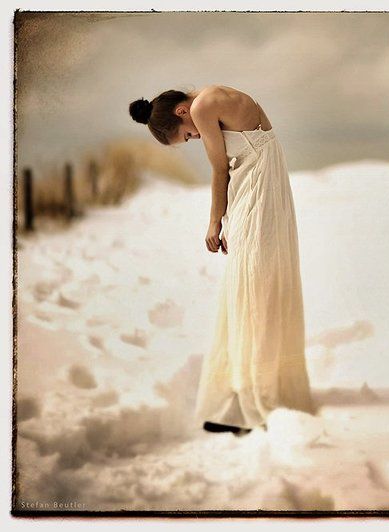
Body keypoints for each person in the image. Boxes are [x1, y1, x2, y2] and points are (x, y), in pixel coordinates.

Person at [129, 85, 317, 436]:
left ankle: (256, 398)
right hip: (257, 187)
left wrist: (214, 221)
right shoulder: (211, 95)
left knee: (254, 287)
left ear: (182, 113)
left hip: (257, 189)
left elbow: (220, 170)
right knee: (253, 285)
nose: (196, 137)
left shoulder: (202, 106)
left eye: (187, 136)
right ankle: (250, 391)